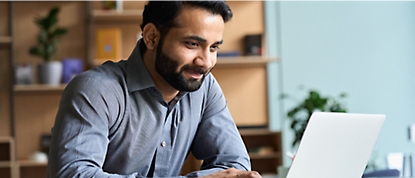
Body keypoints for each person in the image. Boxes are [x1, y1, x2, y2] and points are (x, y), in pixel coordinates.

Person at [47, 1, 261, 178]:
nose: (205, 62)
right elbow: (73, 174)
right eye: (192, 44)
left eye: (214, 47)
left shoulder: (204, 87)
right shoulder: (97, 90)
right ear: (151, 37)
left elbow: (235, 164)